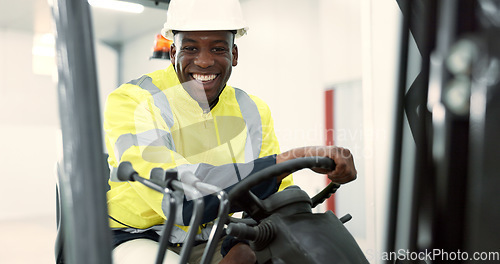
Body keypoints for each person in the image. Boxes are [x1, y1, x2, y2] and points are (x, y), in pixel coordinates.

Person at [103, 0, 357, 263]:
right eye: (190, 48)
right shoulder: (133, 101)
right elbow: (179, 199)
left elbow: (272, 198)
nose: (204, 61)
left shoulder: (253, 110)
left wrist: (242, 245)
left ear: (233, 55)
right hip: (137, 235)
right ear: (172, 53)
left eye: (218, 48)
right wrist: (287, 160)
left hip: (212, 235)